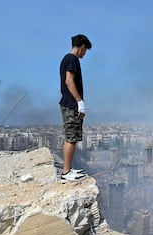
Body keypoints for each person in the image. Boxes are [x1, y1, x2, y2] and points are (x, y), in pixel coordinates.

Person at [59, 34, 92, 183]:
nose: (84, 54)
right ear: (82, 47)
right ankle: (66, 172)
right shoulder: (72, 59)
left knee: (71, 137)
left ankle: (68, 169)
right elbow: (69, 81)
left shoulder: (66, 59)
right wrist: (79, 101)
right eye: (85, 51)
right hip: (71, 104)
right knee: (71, 138)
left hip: (69, 103)